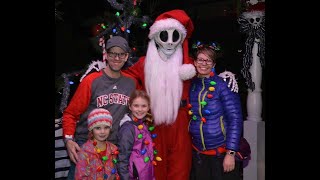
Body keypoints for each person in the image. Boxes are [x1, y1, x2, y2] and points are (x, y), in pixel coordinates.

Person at [121, 9, 196, 180]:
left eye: (174, 37)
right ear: (156, 37)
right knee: (155, 165)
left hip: (181, 120)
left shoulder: (188, 66)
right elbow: (125, 79)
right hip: (153, 121)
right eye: (164, 36)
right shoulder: (144, 64)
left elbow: (206, 75)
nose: (169, 42)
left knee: (181, 167)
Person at [62, 35, 136, 179]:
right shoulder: (91, 81)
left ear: (126, 56)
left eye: (121, 54)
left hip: (113, 147)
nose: (116, 57)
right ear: (106, 55)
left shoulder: (131, 84)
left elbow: (138, 110)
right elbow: (70, 114)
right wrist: (69, 140)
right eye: (113, 53)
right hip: (86, 145)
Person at [188, 44, 243, 180]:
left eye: (208, 60)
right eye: (200, 60)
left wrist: (230, 153)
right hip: (199, 154)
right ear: (194, 62)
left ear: (213, 63)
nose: (204, 64)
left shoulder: (223, 85)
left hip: (221, 154)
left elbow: (235, 119)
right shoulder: (191, 85)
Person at [116, 90, 155, 180]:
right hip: (133, 176)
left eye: (144, 106)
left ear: (148, 107)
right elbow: (122, 159)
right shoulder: (127, 129)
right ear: (130, 106)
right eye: (136, 106)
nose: (140, 110)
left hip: (146, 173)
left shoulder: (144, 124)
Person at [75, 108, 119, 180]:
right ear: (91, 129)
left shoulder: (114, 149)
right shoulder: (84, 152)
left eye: (106, 127)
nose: (102, 132)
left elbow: (116, 171)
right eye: (98, 128)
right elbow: (80, 177)